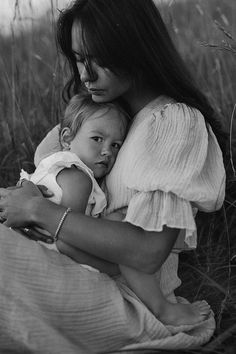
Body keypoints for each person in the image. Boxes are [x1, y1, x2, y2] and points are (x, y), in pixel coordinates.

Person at [0, 0, 226, 352]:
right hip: (69, 260)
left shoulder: (172, 121)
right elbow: (44, 165)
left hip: (130, 297)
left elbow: (148, 250)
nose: (86, 75)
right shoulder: (99, 116)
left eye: (99, 58)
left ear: (135, 48)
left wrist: (39, 211)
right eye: (79, 59)